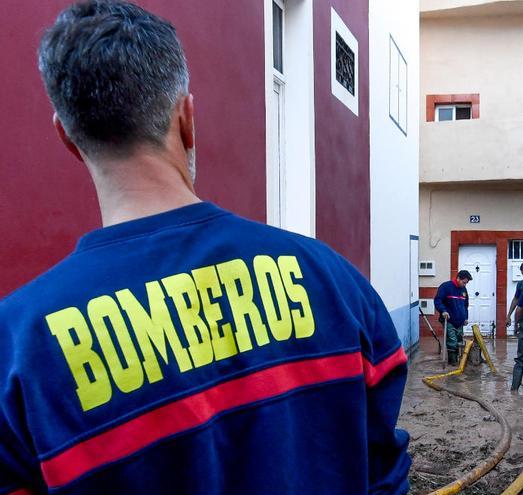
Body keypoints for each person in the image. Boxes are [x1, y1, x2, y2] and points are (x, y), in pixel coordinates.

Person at [0, 2, 411, 494]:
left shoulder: (18, 350)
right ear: (187, 119)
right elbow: (384, 468)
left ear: (66, 137)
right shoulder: (334, 282)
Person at [434, 270, 472, 365]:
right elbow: (438, 301)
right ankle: (452, 363)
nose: (465, 285)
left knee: (459, 341)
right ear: (458, 278)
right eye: (464, 282)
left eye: (466, 283)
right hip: (449, 319)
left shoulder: (464, 290)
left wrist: (466, 317)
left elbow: (465, 305)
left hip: (460, 321)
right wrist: (443, 311)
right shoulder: (446, 287)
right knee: (452, 340)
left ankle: (459, 362)